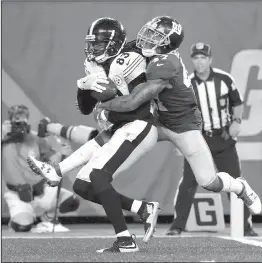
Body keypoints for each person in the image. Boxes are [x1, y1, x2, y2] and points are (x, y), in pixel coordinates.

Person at [95, 15, 262, 219]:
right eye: (148, 33)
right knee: (118, 136)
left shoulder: (166, 62)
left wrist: (103, 105)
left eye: (155, 37)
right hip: (157, 121)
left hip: (183, 126)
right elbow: (118, 52)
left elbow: (134, 101)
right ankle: (83, 164)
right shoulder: (148, 51)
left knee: (208, 181)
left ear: (168, 44)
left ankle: (239, 186)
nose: (147, 39)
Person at [27, 17, 163, 253]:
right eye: (91, 44)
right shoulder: (93, 65)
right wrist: (84, 86)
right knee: (82, 185)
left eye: (98, 44)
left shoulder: (131, 60)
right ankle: (142, 209)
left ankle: (125, 241)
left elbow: (138, 103)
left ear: (113, 43)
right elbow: (86, 108)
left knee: (99, 176)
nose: (93, 49)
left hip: (139, 124)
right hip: (120, 126)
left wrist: (109, 101)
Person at [166, 42, 258, 236]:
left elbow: (237, 102)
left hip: (223, 138)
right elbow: (181, 112)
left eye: (203, 58)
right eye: (196, 58)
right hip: (198, 140)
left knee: (236, 181)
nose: (200, 62)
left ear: (210, 59)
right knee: (189, 183)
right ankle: (177, 225)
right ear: (192, 60)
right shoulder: (187, 83)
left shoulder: (225, 79)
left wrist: (237, 121)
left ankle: (245, 226)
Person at [1, 105, 80, 233]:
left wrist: (61, 153)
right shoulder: (3, 139)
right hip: (18, 194)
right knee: (22, 227)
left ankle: (47, 218)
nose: (19, 126)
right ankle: (18, 220)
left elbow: (50, 161)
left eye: (23, 122)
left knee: (71, 202)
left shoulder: (36, 138)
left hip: (41, 189)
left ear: (27, 121)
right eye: (16, 122)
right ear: (10, 122)